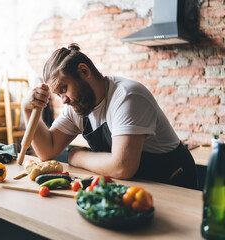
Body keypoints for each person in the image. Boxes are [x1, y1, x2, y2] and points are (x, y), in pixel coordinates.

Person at [22, 43, 197, 189]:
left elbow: (122, 167)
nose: (64, 100)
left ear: (84, 71)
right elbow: (47, 151)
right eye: (59, 94)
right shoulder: (77, 106)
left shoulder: (127, 96)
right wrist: (27, 108)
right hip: (138, 185)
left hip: (173, 183)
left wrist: (77, 156)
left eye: (64, 89)